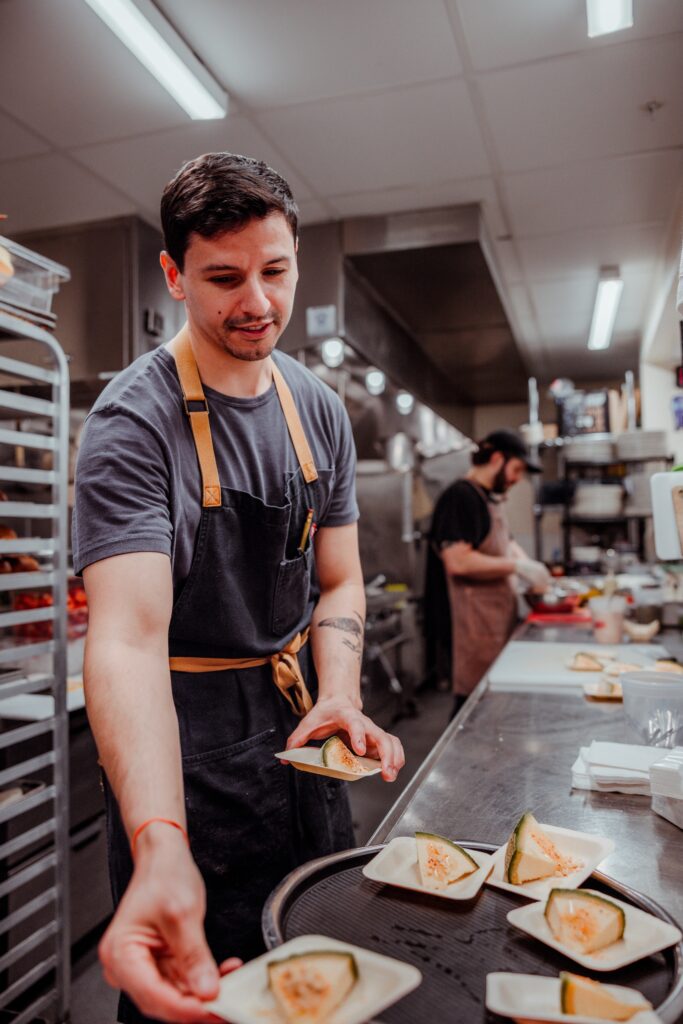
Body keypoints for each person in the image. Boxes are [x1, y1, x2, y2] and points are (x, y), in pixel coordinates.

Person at [73, 152, 405, 1024]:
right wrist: (160, 841)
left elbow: (338, 581)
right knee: (208, 998)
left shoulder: (318, 410)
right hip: (185, 752)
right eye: (223, 278)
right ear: (174, 276)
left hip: (300, 735)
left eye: (276, 270)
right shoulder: (130, 425)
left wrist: (336, 694)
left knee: (322, 967)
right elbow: (126, 641)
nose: (257, 302)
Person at [426, 429, 550, 716]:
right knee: (472, 711)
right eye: (516, 469)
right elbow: (458, 561)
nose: (518, 478)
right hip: (471, 627)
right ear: (497, 459)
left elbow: (506, 542)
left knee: (492, 707)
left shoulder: (488, 497)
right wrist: (518, 567)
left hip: (493, 621)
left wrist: (533, 569)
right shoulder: (461, 496)